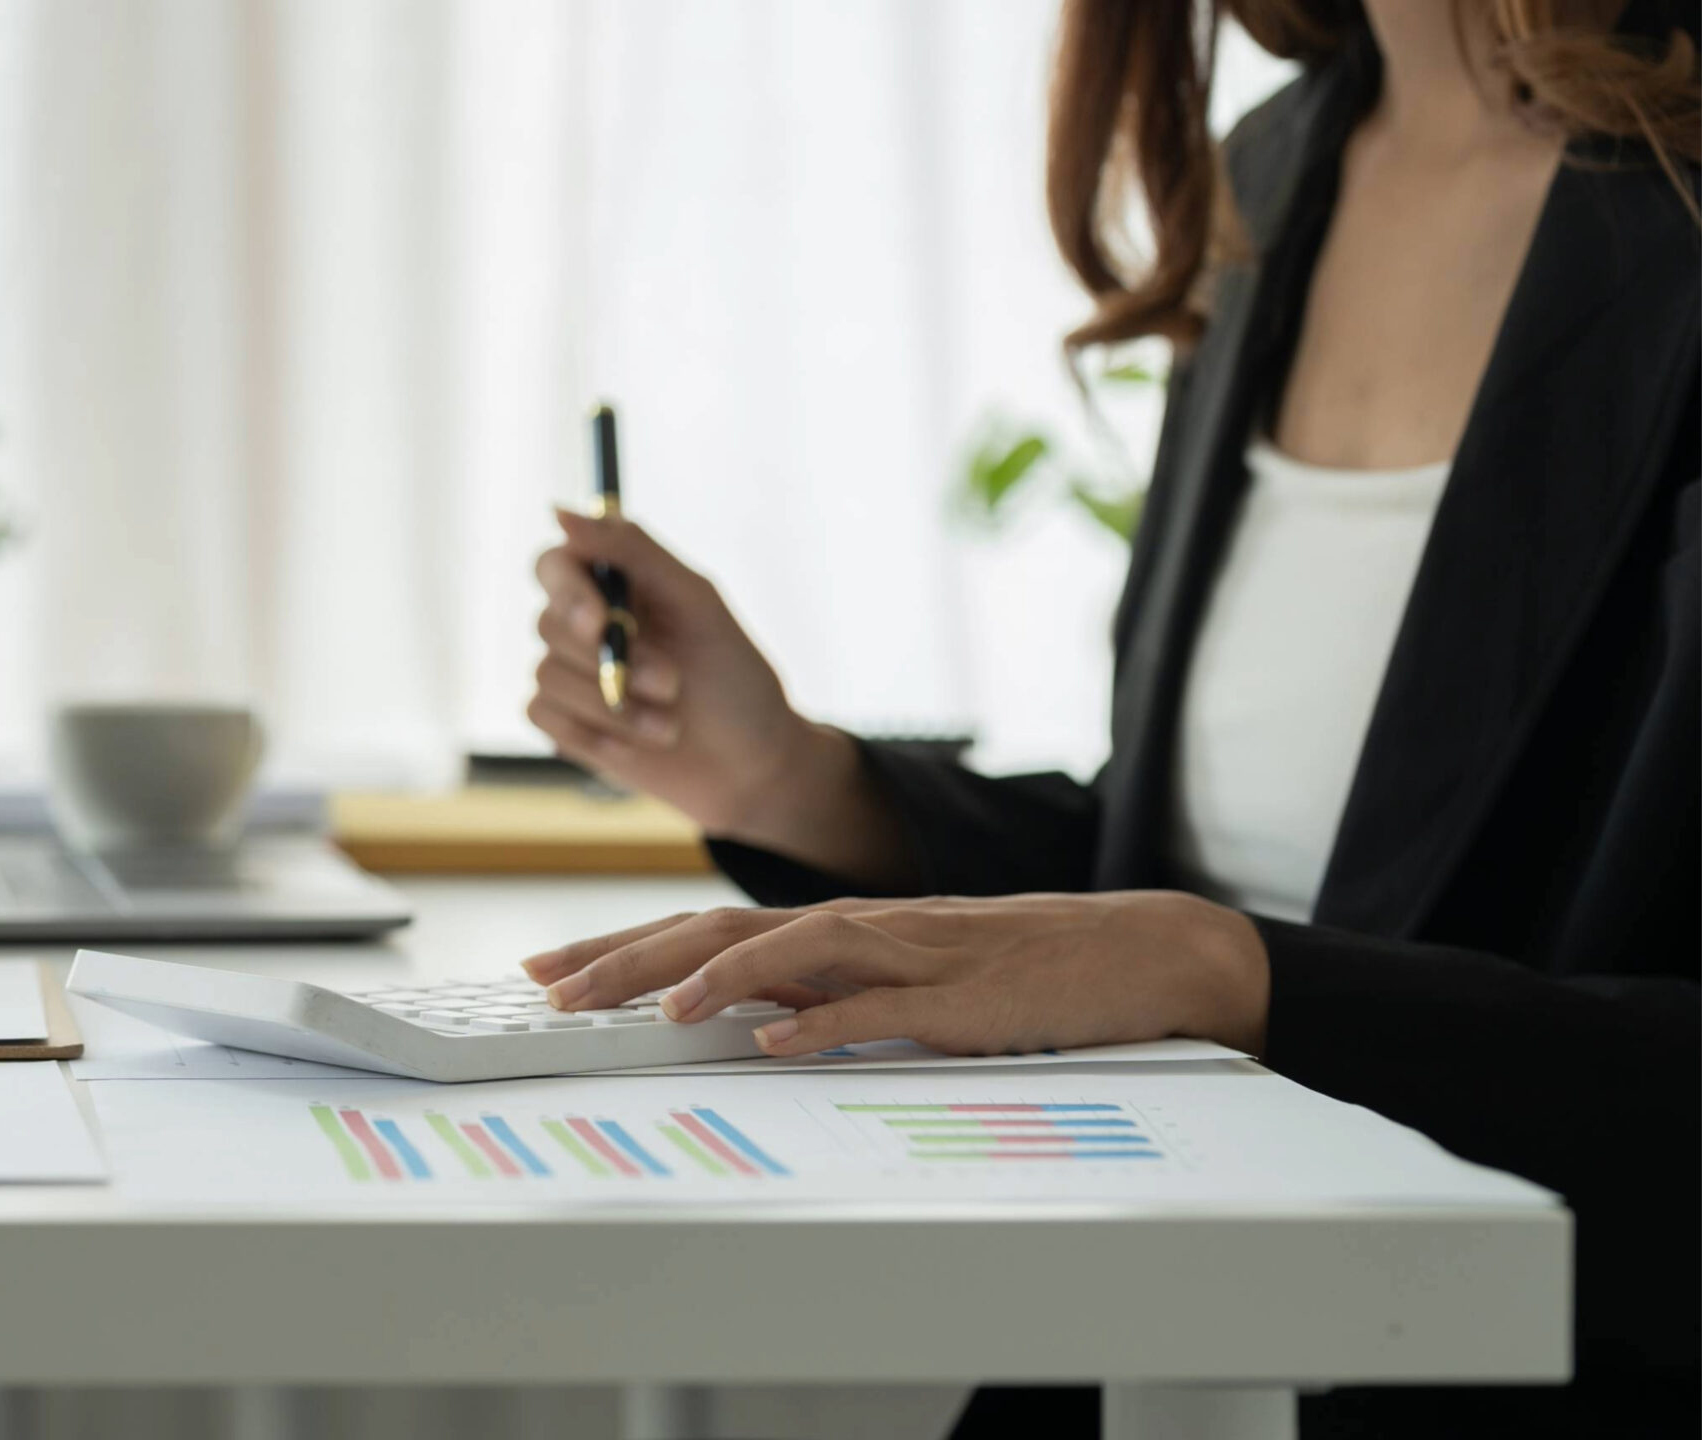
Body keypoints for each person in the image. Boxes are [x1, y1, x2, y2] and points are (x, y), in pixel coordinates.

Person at [522, 0, 1698, 1433]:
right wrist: (798, 785)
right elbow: (1195, 880)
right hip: (1164, 1339)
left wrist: (1251, 981)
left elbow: (1232, 949)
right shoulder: (1274, 171)